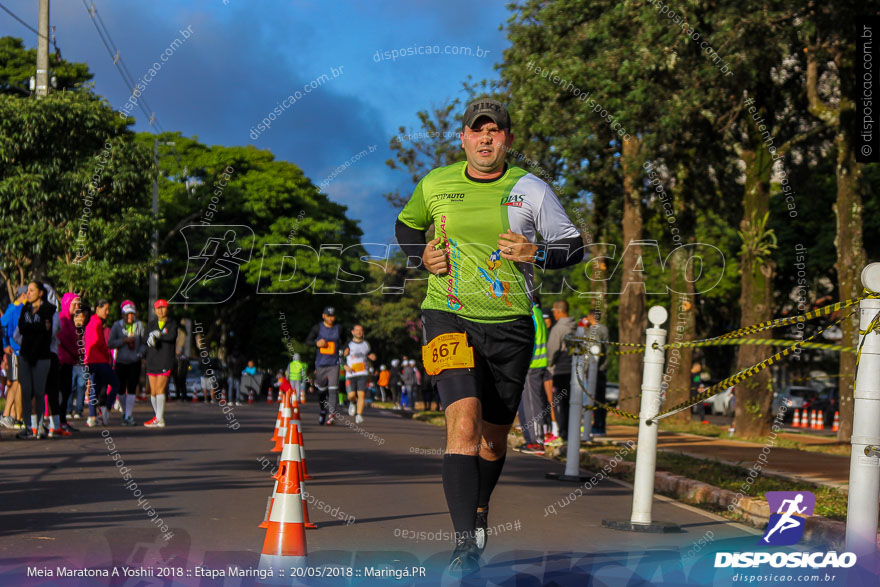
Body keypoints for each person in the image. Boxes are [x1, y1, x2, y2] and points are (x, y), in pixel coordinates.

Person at [394, 98, 583, 574]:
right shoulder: (436, 183)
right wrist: (421, 257)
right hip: (447, 314)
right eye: (477, 131)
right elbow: (406, 224)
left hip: (510, 324)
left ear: (507, 140)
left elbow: (574, 246)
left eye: (494, 132)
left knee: (494, 442)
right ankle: (464, 548)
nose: (485, 138)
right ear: (462, 137)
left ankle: (480, 508)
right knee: (462, 427)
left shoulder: (531, 188)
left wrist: (534, 251)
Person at [15, 282, 59, 439]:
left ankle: (40, 425)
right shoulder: (25, 309)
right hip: (25, 354)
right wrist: (37, 328)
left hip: (42, 355)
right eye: (28, 290)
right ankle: (28, 427)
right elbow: (20, 329)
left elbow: (49, 332)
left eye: (32, 290)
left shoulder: (50, 310)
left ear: (41, 293)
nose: (29, 293)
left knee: (39, 392)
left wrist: (33, 329)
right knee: (26, 391)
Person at [516, 301, 549, 455]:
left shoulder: (532, 313)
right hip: (535, 363)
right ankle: (531, 440)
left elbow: (530, 341)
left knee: (531, 404)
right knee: (527, 404)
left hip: (532, 364)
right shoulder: (537, 312)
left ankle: (536, 441)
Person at [108, 300, 146, 425]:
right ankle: (125, 413)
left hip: (134, 361)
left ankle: (129, 415)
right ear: (123, 315)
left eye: (132, 314)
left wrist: (139, 353)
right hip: (120, 361)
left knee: (132, 388)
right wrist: (123, 340)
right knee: (120, 388)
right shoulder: (117, 326)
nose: (130, 316)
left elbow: (144, 343)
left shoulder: (139, 325)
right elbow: (111, 343)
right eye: (127, 314)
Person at [84, 299, 121, 428]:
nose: (107, 312)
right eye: (105, 309)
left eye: (108, 309)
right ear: (97, 309)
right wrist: (107, 354)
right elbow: (98, 342)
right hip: (99, 360)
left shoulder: (91, 322)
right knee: (115, 384)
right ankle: (106, 410)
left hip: (90, 360)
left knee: (95, 388)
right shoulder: (96, 323)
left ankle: (92, 416)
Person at [305, 306, 342, 425]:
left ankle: (332, 415)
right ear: (323, 316)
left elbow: (345, 342)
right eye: (328, 316)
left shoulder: (339, 328)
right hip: (321, 364)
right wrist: (317, 343)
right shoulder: (317, 328)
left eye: (333, 316)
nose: (331, 318)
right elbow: (307, 341)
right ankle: (322, 410)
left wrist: (345, 349)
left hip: (334, 363)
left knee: (333, 390)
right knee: (321, 390)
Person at [144, 299, 178, 428]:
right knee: (152, 392)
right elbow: (145, 339)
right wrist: (149, 341)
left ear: (167, 309)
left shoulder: (171, 324)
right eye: (158, 308)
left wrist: (159, 336)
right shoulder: (151, 324)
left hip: (165, 360)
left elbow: (171, 337)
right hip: (152, 360)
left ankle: (159, 418)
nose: (161, 310)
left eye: (163, 308)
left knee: (160, 389)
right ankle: (157, 416)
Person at [546, 300, 577, 442]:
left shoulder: (558, 329)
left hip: (560, 370)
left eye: (554, 311)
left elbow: (552, 349)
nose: (553, 314)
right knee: (573, 403)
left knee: (560, 405)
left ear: (558, 311)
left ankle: (564, 434)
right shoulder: (576, 326)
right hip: (575, 370)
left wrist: (550, 365)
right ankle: (572, 432)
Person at [0, 286, 27, 430]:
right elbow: (3, 326)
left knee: (17, 383)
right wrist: (5, 345)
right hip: (14, 351)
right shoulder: (13, 309)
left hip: (17, 350)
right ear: (23, 294)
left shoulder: (18, 308)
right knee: (16, 383)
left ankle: (14, 415)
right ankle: (11, 416)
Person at [343, 324, 377, 424]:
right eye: (356, 330)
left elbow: (372, 355)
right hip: (351, 374)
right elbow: (340, 357)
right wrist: (345, 366)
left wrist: (373, 357)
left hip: (363, 373)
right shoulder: (348, 344)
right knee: (351, 395)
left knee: (361, 395)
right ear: (352, 332)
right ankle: (352, 402)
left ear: (363, 332)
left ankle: (359, 415)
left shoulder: (366, 344)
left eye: (360, 330)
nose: (359, 332)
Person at [585, 309, 609, 436]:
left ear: (591, 316)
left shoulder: (594, 331)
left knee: (596, 399)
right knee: (600, 399)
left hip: (596, 370)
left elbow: (595, 351)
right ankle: (600, 425)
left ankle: (598, 426)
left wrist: (588, 369)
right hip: (602, 368)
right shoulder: (604, 328)